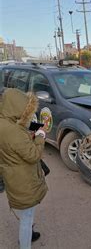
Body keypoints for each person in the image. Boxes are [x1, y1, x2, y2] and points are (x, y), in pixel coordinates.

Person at [0, 88, 48, 248]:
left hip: (11, 174)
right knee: (27, 216)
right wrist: (40, 136)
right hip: (23, 179)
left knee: (24, 211)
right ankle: (25, 242)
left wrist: (30, 134)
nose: (25, 114)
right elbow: (33, 155)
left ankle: (29, 232)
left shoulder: (4, 121)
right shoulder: (12, 132)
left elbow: (15, 142)